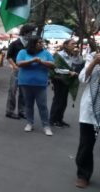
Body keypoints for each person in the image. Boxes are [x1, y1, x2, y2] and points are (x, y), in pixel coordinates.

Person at [16, 35, 54, 136]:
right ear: (33, 43)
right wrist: (32, 60)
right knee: (28, 104)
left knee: (42, 105)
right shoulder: (23, 52)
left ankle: (46, 126)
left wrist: (41, 61)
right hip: (25, 82)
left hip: (40, 84)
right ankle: (29, 123)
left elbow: (52, 64)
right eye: (39, 42)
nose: (42, 44)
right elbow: (19, 63)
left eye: (42, 42)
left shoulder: (46, 53)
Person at [75, 52, 100, 188]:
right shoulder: (93, 57)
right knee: (86, 144)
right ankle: (83, 175)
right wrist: (94, 62)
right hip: (91, 108)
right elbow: (83, 78)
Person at [49, 39, 83, 128]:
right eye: (72, 44)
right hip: (59, 79)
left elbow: (79, 63)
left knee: (64, 101)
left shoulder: (72, 54)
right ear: (66, 45)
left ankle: (59, 119)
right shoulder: (59, 55)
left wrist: (77, 54)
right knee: (58, 100)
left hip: (67, 80)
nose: (74, 46)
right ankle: (53, 120)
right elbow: (56, 69)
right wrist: (68, 72)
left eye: (75, 44)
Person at [5, 24, 36, 120]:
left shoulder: (31, 44)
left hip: (27, 70)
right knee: (12, 90)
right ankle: (10, 111)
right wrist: (14, 66)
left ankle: (22, 111)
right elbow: (9, 56)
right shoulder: (15, 43)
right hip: (16, 69)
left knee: (24, 91)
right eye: (31, 32)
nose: (32, 34)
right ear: (26, 32)